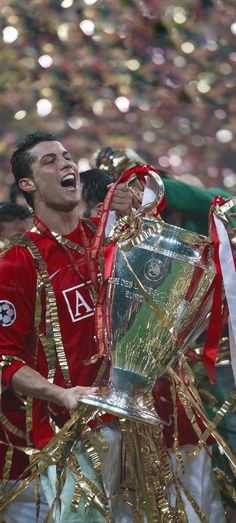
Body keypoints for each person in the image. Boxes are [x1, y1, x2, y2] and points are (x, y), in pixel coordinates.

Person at [0, 132, 135, 523]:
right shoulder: (17, 263)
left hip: (130, 424)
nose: (66, 165)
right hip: (69, 435)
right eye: (49, 161)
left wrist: (136, 216)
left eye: (67, 157)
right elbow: (4, 360)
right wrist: (61, 394)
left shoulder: (108, 242)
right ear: (27, 185)